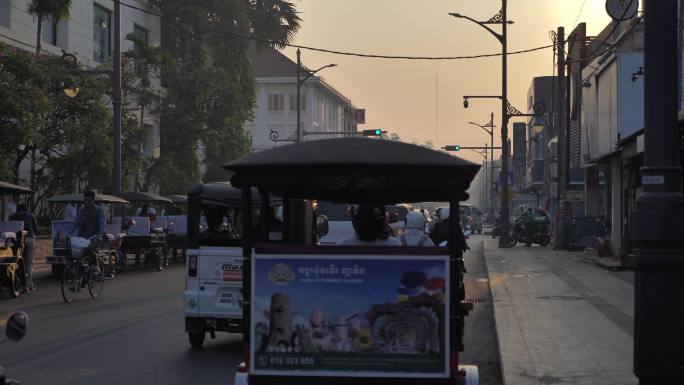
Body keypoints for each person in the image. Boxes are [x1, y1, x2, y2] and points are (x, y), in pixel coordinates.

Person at [9, 203, 37, 292]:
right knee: (29, 263)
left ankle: (16, 282)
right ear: (26, 209)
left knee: (18, 262)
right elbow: (36, 228)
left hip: (15, 241)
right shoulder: (30, 215)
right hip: (29, 238)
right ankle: (28, 286)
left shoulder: (12, 216)